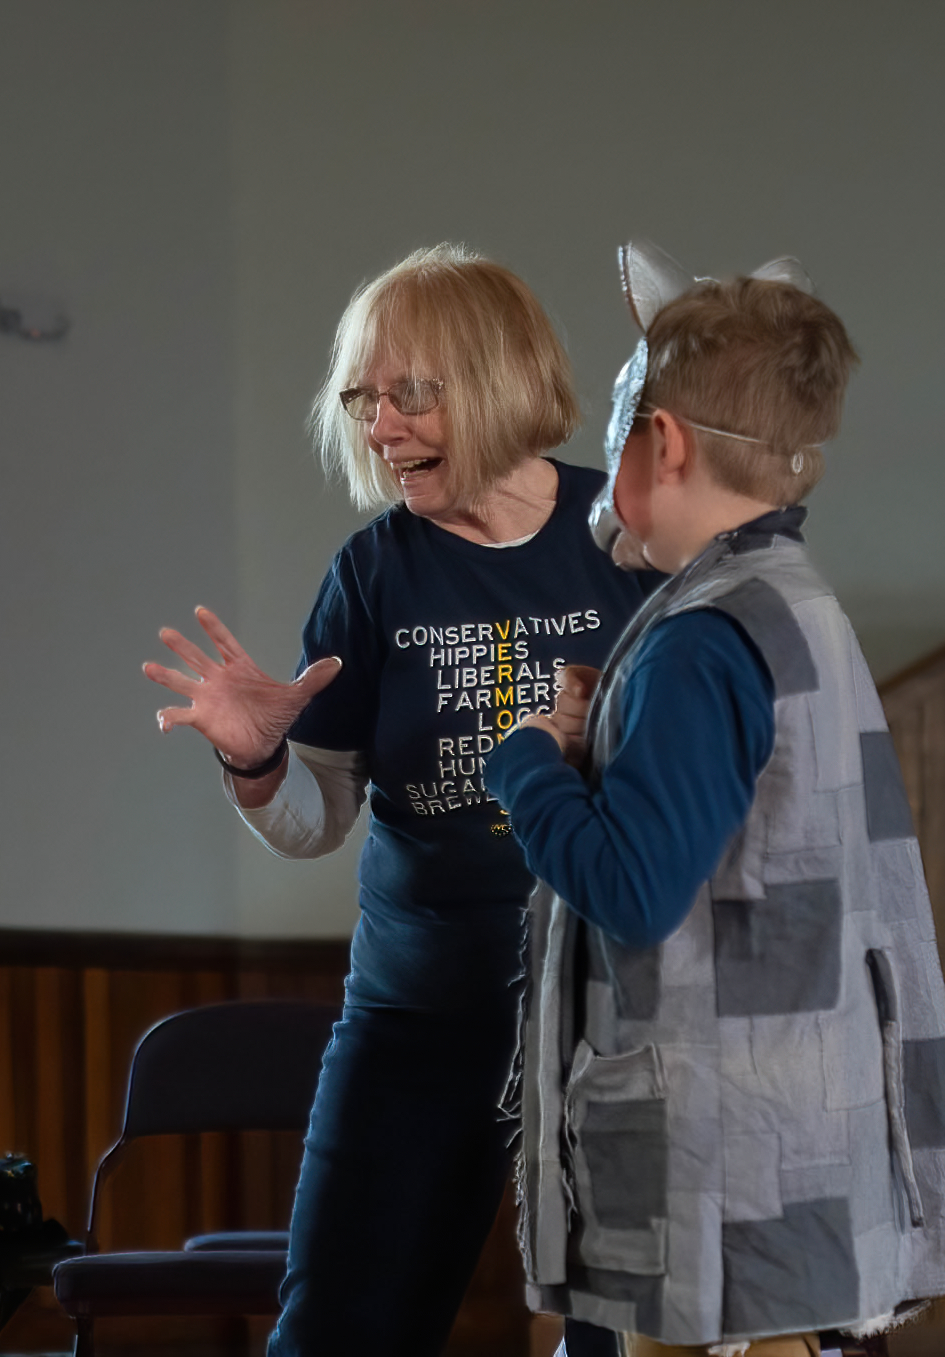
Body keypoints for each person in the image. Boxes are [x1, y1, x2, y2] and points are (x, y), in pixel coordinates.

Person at [143, 244, 651, 1355]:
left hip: (619, 1015)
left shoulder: (631, 538)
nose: (380, 428)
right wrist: (257, 763)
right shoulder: (374, 572)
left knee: (625, 1337)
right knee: (341, 1325)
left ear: (498, 380)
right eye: (362, 401)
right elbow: (316, 818)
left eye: (408, 394)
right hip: (421, 1008)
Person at [486, 244, 945, 1357]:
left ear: (662, 441)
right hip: (789, 1152)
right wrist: (611, 747)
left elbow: (634, 888)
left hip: (716, 1177)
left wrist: (526, 764)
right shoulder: (794, 602)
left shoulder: (698, 642)